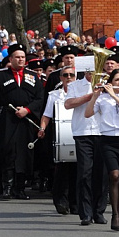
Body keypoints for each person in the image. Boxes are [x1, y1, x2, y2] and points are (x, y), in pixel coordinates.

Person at [0, 44, 44, 200]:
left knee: (23, 153)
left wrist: (27, 110)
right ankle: (6, 187)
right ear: (10, 59)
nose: (21, 60)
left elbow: (40, 99)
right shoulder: (0, 76)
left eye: (23, 57)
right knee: (7, 151)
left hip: (26, 120)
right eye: (17, 57)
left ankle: (19, 188)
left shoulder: (33, 77)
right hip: (6, 120)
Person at [84, 69, 119, 231]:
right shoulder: (102, 99)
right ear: (111, 82)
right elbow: (87, 114)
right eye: (117, 80)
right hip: (107, 140)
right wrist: (95, 96)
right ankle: (114, 214)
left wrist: (114, 95)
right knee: (114, 175)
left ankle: (118, 214)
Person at [63, 66, 108, 224]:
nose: (91, 73)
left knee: (101, 174)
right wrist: (91, 96)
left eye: (94, 70)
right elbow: (68, 104)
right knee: (84, 172)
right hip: (82, 132)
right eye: (89, 70)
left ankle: (99, 211)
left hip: (103, 131)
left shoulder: (107, 83)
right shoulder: (75, 85)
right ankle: (85, 213)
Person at [39, 65, 80, 219]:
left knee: (78, 169)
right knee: (62, 169)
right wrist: (42, 128)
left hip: (78, 133)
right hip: (61, 135)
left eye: (72, 75)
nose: (69, 78)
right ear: (61, 78)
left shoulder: (82, 94)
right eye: (66, 75)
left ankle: (75, 203)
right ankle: (61, 202)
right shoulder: (54, 95)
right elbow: (46, 115)